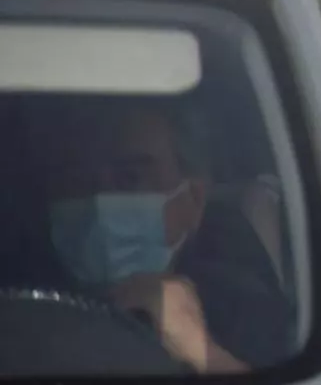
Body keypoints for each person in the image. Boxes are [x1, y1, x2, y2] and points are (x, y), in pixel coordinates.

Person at [38, 101, 293, 372]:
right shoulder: (23, 308)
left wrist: (201, 351)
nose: (99, 201)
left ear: (193, 200)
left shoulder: (243, 313)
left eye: (131, 178)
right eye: (78, 180)